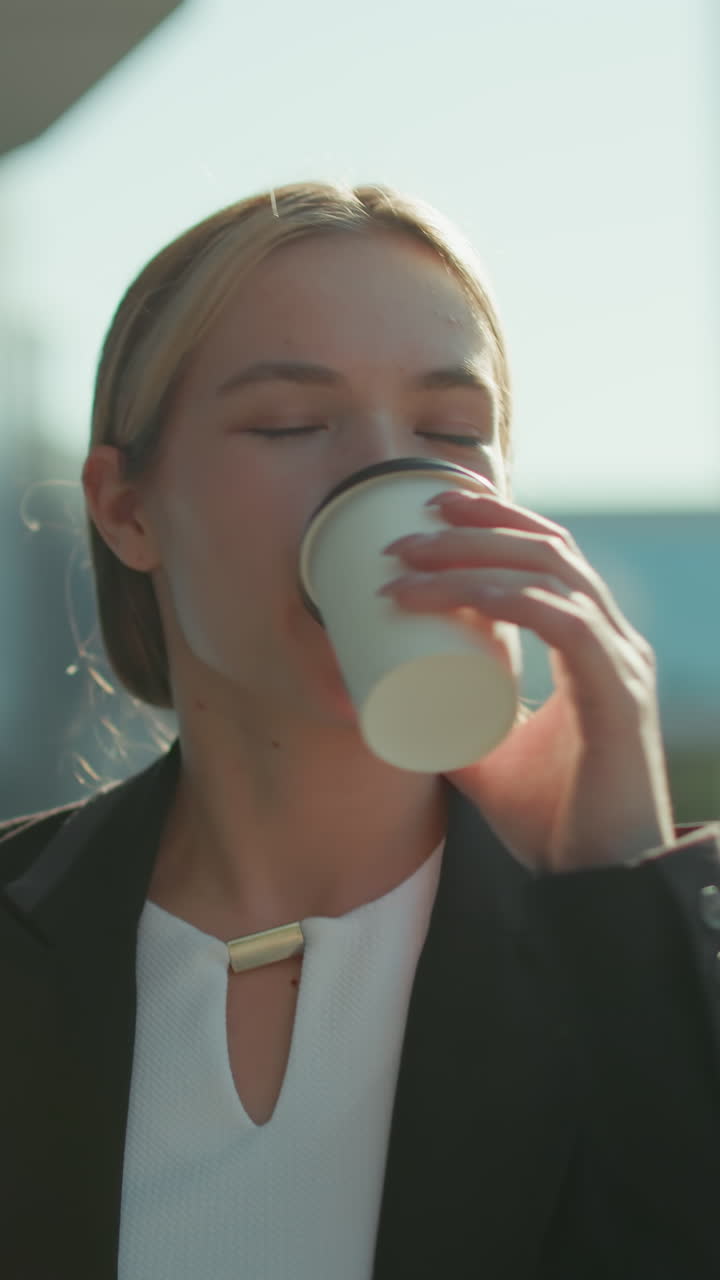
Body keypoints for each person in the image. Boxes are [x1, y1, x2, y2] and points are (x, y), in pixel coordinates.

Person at [1, 180, 718, 1280]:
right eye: (291, 421)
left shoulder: (650, 949)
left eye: (451, 431)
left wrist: (619, 886)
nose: (389, 474)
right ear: (127, 508)